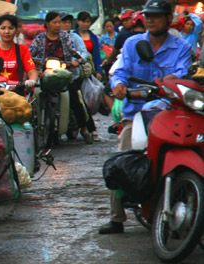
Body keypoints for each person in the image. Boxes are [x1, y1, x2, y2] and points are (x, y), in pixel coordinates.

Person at [100, 0, 192, 234]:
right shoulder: (132, 43)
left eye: (156, 16)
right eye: (148, 16)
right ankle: (117, 218)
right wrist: (119, 83)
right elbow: (120, 70)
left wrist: (174, 78)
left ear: (169, 19)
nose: (150, 20)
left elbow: (182, 74)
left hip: (169, 112)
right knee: (121, 157)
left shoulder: (181, 47)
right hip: (136, 113)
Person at [30, 11, 94, 144]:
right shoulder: (40, 38)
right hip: (44, 74)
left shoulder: (66, 37)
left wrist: (76, 60)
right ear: (47, 24)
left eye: (59, 22)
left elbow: (73, 53)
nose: (58, 25)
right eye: (55, 22)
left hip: (64, 75)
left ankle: (84, 129)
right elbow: (30, 54)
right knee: (31, 99)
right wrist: (37, 66)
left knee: (76, 101)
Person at [0, 14, 39, 91]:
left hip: (17, 94)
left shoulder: (22, 49)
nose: (7, 32)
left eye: (11, 28)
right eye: (3, 28)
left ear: (16, 30)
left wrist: (32, 80)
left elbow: (32, 71)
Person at [75, 11, 102, 142]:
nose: (86, 24)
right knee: (80, 101)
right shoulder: (73, 36)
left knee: (89, 99)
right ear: (78, 22)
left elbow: (96, 55)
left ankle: (91, 129)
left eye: (88, 22)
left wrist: (98, 71)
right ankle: (88, 128)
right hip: (75, 73)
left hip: (87, 72)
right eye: (83, 21)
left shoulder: (93, 37)